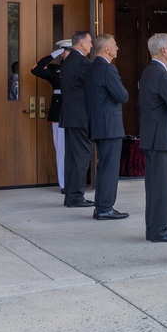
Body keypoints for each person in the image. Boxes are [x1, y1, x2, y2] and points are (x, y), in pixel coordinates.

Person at [138, 33, 167, 241]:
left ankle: (153, 229)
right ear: (164, 50)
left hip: (151, 136)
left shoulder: (149, 71)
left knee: (154, 187)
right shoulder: (162, 74)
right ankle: (160, 230)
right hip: (161, 138)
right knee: (162, 188)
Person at [84, 33, 129, 220]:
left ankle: (101, 205)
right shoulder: (108, 69)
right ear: (107, 48)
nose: (117, 48)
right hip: (110, 126)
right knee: (109, 168)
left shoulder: (92, 67)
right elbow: (122, 96)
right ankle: (105, 208)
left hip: (98, 124)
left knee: (103, 167)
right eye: (115, 44)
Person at [30, 39, 72, 192]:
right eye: (67, 50)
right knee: (62, 149)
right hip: (59, 111)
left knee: (77, 149)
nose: (70, 54)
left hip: (77, 112)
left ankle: (76, 182)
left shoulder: (82, 67)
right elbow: (35, 69)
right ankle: (64, 184)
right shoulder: (54, 69)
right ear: (62, 52)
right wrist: (53, 54)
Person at [60, 31, 95, 207]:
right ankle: (76, 196)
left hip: (70, 116)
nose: (91, 45)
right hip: (81, 117)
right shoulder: (82, 62)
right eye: (89, 42)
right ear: (81, 43)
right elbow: (92, 86)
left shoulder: (67, 61)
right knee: (82, 156)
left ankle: (71, 195)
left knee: (72, 157)